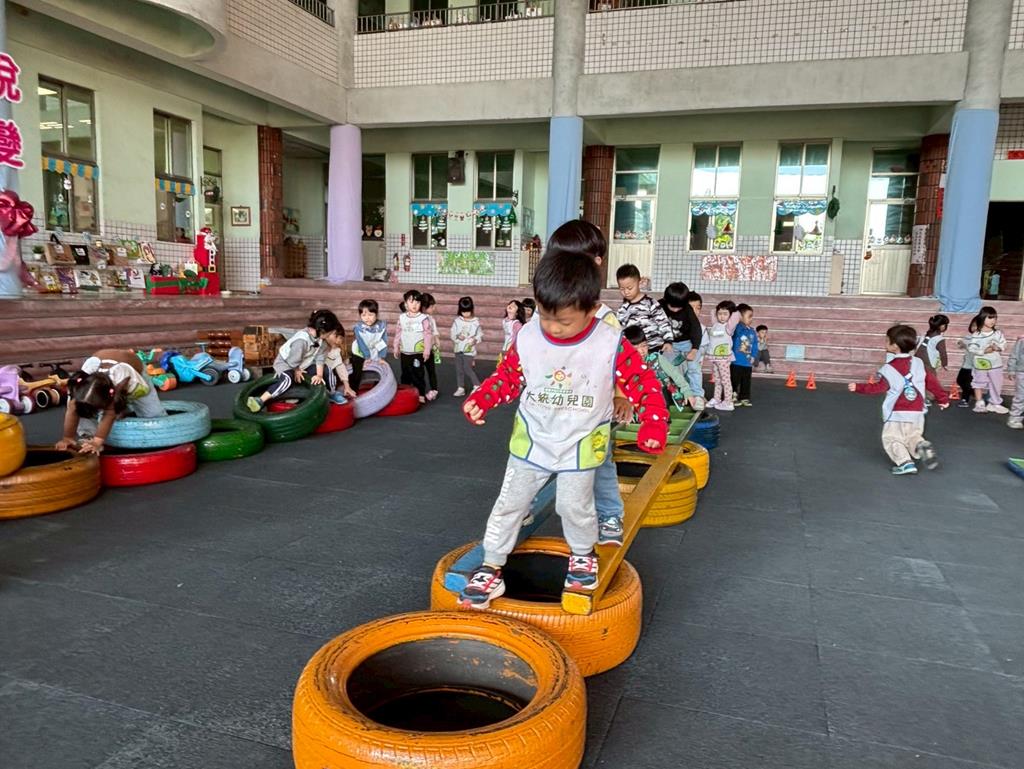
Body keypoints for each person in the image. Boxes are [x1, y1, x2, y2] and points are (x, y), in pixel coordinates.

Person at [459, 249, 668, 609]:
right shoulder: (528, 336)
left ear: (592, 309)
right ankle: (491, 566)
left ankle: (583, 554)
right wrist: (483, 398)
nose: (553, 327)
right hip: (533, 438)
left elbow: (642, 382)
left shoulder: (609, 342)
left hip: (581, 441)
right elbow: (509, 376)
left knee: (574, 506)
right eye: (545, 315)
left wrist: (653, 421)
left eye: (564, 321)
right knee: (509, 503)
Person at [545, 219, 635, 548]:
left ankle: (610, 514)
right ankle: (525, 500)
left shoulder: (605, 319)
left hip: (594, 409)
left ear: (595, 264)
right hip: (556, 404)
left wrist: (621, 396)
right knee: (539, 452)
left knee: (600, 461)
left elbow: (619, 363)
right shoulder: (549, 310)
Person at [848, 324, 949, 475]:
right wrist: (943, 399)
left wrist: (858, 387)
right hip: (917, 411)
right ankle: (920, 445)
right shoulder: (919, 363)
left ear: (894, 345)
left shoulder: (888, 369)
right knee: (912, 435)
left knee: (892, 438)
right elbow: (932, 382)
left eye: (886, 340)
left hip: (897, 412)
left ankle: (905, 463)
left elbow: (878, 388)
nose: (885, 343)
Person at [55, 349, 167, 454]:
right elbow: (72, 410)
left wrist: (97, 442)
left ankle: (125, 410)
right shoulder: (80, 383)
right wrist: (67, 438)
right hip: (101, 365)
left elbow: (109, 414)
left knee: (152, 413)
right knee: (77, 406)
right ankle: (88, 435)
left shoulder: (121, 382)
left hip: (133, 374)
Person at [247, 309, 345, 412]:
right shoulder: (301, 341)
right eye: (330, 333)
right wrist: (296, 370)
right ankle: (260, 400)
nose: (331, 335)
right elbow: (292, 361)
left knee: (327, 369)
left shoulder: (320, 339)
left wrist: (319, 375)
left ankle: (331, 394)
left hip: (302, 364)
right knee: (288, 380)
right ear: (322, 331)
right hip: (286, 363)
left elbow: (320, 358)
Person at [623, 325, 701, 411]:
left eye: (644, 346)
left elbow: (675, 374)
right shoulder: (624, 365)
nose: (641, 351)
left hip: (660, 397)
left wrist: (687, 391)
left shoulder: (656, 358)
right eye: (635, 348)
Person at [659, 281, 703, 405]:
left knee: (693, 368)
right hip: (668, 344)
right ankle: (678, 396)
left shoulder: (687, 309)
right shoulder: (659, 306)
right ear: (666, 300)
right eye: (672, 307)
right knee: (670, 368)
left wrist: (694, 349)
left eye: (678, 307)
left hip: (686, 342)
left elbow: (696, 329)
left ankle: (697, 395)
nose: (675, 310)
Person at [616, 264, 672, 352]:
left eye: (630, 288)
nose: (626, 292)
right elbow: (621, 330)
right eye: (622, 289)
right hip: (635, 351)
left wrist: (668, 341)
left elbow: (663, 322)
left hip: (656, 348)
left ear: (639, 283)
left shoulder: (651, 303)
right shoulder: (622, 309)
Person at [967, 306, 1009, 414]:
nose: (993, 321)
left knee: (996, 383)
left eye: (994, 318)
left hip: (996, 363)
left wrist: (998, 347)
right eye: (989, 318)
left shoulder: (998, 333)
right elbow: (972, 348)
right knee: (978, 382)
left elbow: (1004, 344)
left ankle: (994, 403)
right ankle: (979, 403)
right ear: (982, 318)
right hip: (981, 363)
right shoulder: (977, 334)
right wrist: (984, 351)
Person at [393, 289, 432, 403]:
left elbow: (427, 334)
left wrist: (427, 350)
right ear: (406, 304)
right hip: (405, 351)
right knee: (405, 374)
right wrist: (396, 347)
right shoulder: (402, 318)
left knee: (418, 374)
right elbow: (398, 333)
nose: (414, 305)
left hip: (417, 352)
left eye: (417, 302)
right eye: (411, 302)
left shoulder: (423, 318)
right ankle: (405, 394)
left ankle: (420, 394)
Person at [705, 300, 739, 411]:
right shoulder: (715, 324)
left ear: (730, 315)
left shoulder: (729, 327)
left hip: (723, 358)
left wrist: (732, 309)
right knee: (717, 380)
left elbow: (736, 315)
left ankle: (728, 402)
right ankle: (717, 398)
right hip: (715, 357)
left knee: (725, 380)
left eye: (725, 314)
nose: (722, 316)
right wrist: (719, 309)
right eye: (719, 314)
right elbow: (713, 311)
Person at [350, 298, 388, 390]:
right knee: (357, 370)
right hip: (360, 351)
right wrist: (366, 357)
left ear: (376, 314)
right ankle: (353, 389)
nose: (367, 318)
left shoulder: (381, 326)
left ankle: (376, 388)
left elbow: (383, 341)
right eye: (364, 315)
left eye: (370, 315)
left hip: (374, 348)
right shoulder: (358, 328)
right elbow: (361, 343)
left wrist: (381, 357)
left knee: (378, 368)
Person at [451, 295, 483, 396]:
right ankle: (460, 387)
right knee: (459, 369)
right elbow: (452, 333)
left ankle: (477, 385)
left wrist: (475, 340)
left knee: (467, 368)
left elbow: (480, 335)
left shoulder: (475, 322)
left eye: (468, 311)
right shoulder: (457, 321)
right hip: (458, 349)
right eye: (463, 311)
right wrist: (457, 336)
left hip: (469, 350)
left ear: (472, 310)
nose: (465, 314)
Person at [730, 303, 758, 407]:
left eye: (752, 316)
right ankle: (732, 396)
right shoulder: (736, 329)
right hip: (736, 362)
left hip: (747, 362)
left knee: (746, 381)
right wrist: (737, 319)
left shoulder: (752, 331)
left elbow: (755, 345)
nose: (751, 319)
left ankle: (744, 397)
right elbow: (735, 332)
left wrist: (753, 356)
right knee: (734, 380)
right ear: (740, 317)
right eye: (749, 316)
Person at [687, 292, 708, 398]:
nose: (695, 311)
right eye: (691, 308)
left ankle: (697, 395)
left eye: (698, 308)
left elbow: (703, 348)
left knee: (694, 368)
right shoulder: (678, 325)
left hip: (694, 357)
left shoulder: (702, 329)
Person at [421, 292, 441, 401]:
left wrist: (437, 341)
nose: (434, 308)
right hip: (420, 349)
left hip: (430, 348)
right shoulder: (419, 319)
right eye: (432, 306)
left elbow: (435, 331)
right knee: (419, 371)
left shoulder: (431, 319)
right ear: (424, 308)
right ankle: (420, 391)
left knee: (431, 370)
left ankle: (434, 389)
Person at [954, 317, 978, 408]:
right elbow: (962, 346)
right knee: (959, 380)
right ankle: (973, 393)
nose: (974, 328)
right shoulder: (968, 336)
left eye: (977, 326)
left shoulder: (981, 339)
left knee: (967, 382)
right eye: (973, 325)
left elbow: (975, 350)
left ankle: (965, 399)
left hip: (974, 365)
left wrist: (965, 346)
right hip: (966, 363)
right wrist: (960, 344)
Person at [1006, 335, 1024, 429]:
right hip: (1022, 372)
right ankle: (1014, 418)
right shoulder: (1022, 340)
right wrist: (1011, 370)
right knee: (1021, 396)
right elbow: (1014, 355)